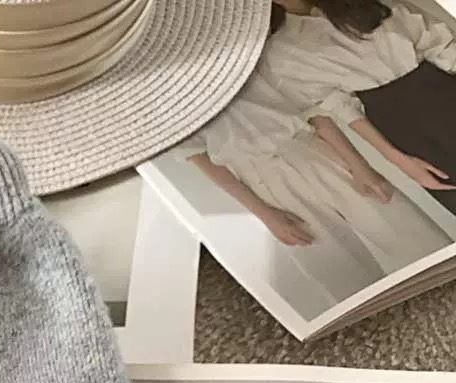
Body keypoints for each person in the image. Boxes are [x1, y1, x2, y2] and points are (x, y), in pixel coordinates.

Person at [182, 64, 450, 313]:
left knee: (408, 231)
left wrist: (359, 166)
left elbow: (315, 113)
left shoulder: (249, 66)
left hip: (310, 150)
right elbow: (202, 160)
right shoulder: (174, 109)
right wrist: (265, 214)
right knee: (341, 275)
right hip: (264, 183)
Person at [259, 0, 456, 205]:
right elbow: (342, 108)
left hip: (443, 88)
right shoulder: (282, 52)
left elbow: (437, 40)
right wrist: (400, 161)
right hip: (405, 128)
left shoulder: (367, 3)